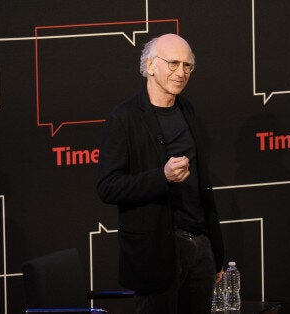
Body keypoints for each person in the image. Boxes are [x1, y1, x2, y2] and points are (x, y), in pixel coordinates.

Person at [97, 33, 224, 313]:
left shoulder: (186, 109)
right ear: (150, 65)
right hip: (155, 253)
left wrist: (215, 249)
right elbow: (107, 186)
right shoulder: (124, 119)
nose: (181, 73)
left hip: (199, 247)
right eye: (173, 64)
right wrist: (161, 177)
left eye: (187, 66)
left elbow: (202, 187)